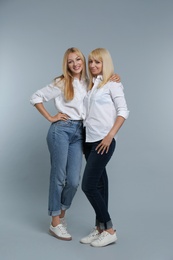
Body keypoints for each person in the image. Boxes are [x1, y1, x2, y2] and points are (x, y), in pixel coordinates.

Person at [30, 47, 120, 241]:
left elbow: (105, 90)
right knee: (58, 176)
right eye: (71, 61)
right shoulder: (61, 82)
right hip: (61, 130)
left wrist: (114, 77)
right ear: (66, 64)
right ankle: (55, 222)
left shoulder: (90, 82)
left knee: (73, 181)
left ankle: (62, 214)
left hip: (81, 132)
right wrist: (51, 117)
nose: (76, 64)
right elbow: (35, 97)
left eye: (78, 59)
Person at [80, 48, 129, 247]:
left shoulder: (113, 85)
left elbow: (123, 111)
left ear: (105, 64)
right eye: (91, 62)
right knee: (100, 185)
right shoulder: (91, 85)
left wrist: (110, 136)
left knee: (88, 185)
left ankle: (109, 229)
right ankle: (99, 228)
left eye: (97, 62)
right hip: (88, 141)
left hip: (103, 141)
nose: (92, 66)